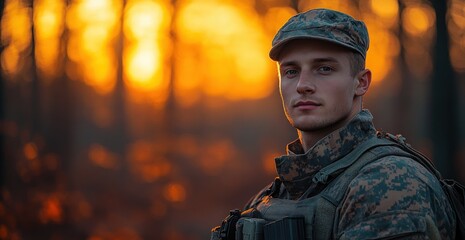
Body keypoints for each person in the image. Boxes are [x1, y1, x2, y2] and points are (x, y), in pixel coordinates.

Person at [211, 8, 456, 240]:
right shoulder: (274, 194)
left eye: (324, 68)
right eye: (291, 71)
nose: (302, 85)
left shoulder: (391, 183)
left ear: (361, 83)